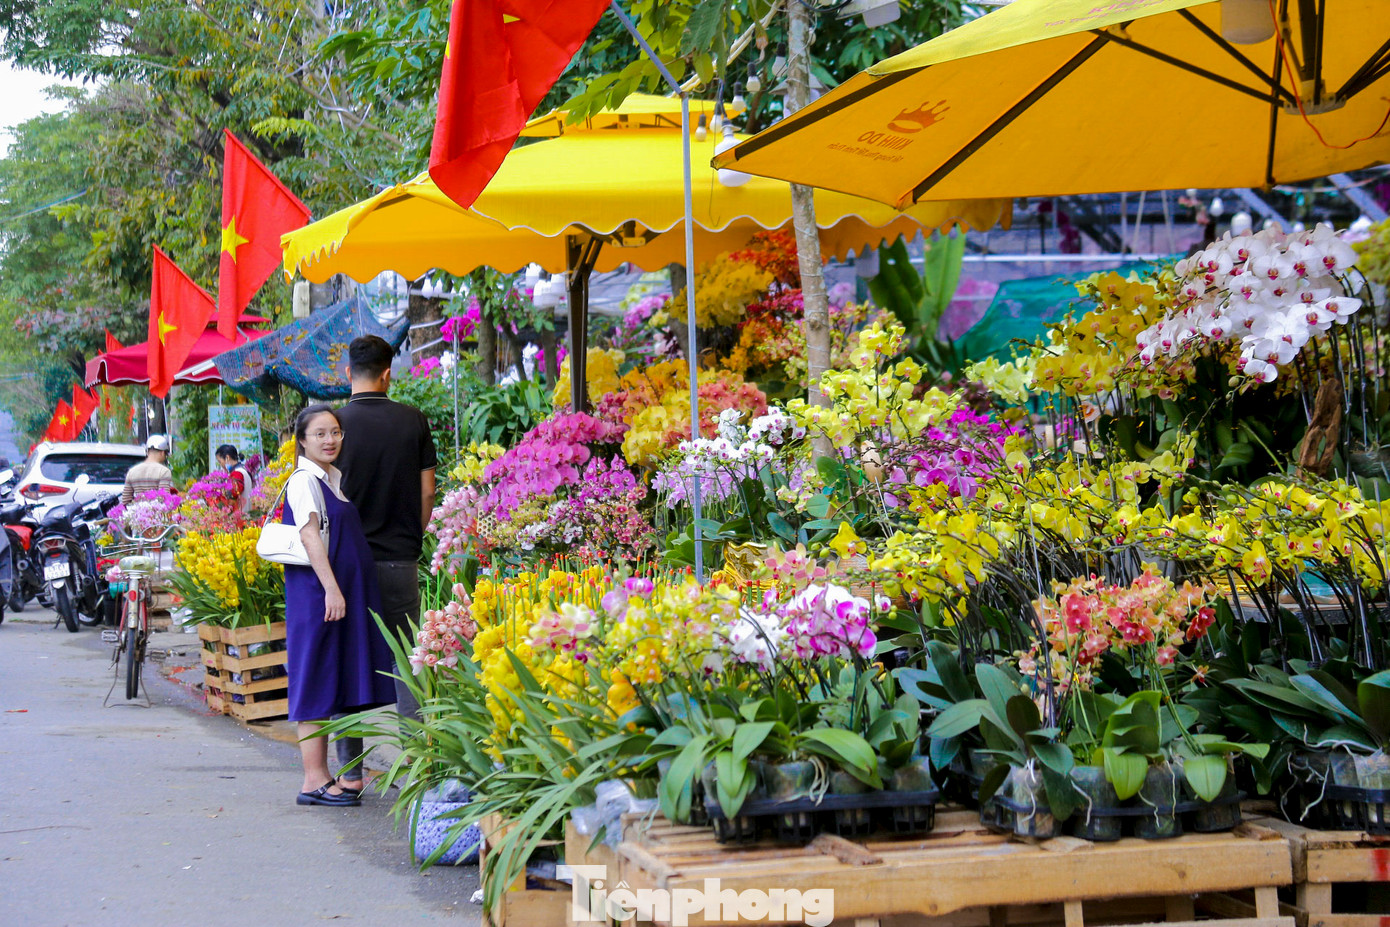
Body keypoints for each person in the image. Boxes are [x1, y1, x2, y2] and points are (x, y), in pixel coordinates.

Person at [332, 335, 437, 792]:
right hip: (399, 562)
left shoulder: (332, 425)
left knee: (347, 663)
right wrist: (410, 536)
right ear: (388, 372)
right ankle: (419, 774)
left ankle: (349, 777)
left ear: (347, 373)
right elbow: (427, 491)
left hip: (346, 567)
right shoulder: (413, 420)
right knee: (408, 668)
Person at [281, 404, 396, 807]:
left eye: (335, 433)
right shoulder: (304, 481)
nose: (330, 440)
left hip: (335, 594)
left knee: (333, 678)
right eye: (320, 434)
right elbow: (311, 537)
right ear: (303, 440)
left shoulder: (331, 479)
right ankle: (313, 779)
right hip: (318, 595)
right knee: (313, 677)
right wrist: (331, 588)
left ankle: (335, 778)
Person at [121, 435, 174, 504]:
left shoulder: (132, 471)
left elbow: (125, 500)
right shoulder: (164, 471)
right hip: (156, 513)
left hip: (138, 513)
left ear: (147, 451)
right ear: (162, 453)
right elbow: (163, 498)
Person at [215, 444, 254, 513]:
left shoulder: (237, 473)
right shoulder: (243, 469)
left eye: (220, 461)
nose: (221, 465)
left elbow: (232, 495)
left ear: (227, 458)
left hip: (241, 517)